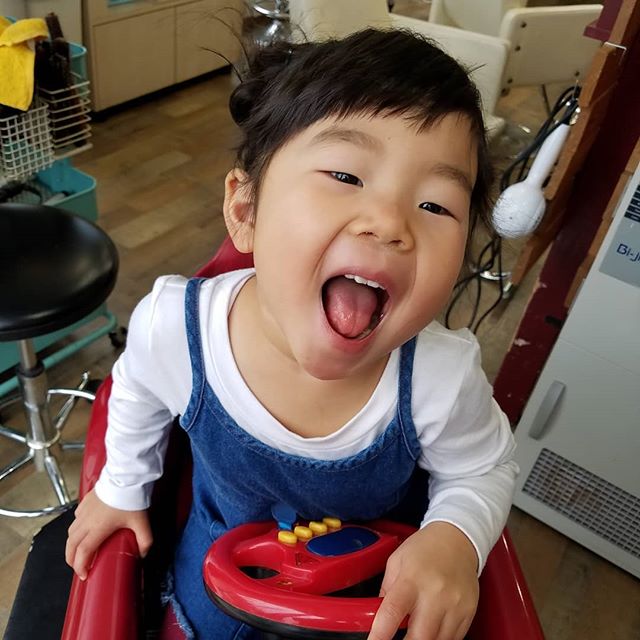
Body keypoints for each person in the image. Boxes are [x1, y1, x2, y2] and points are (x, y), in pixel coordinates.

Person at [66, 28, 519, 640]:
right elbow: (135, 390)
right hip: (212, 596)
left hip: (364, 610)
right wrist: (122, 486)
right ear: (246, 211)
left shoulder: (439, 376)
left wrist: (454, 536)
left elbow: (482, 469)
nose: (390, 223)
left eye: (436, 206)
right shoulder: (176, 328)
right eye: (346, 175)